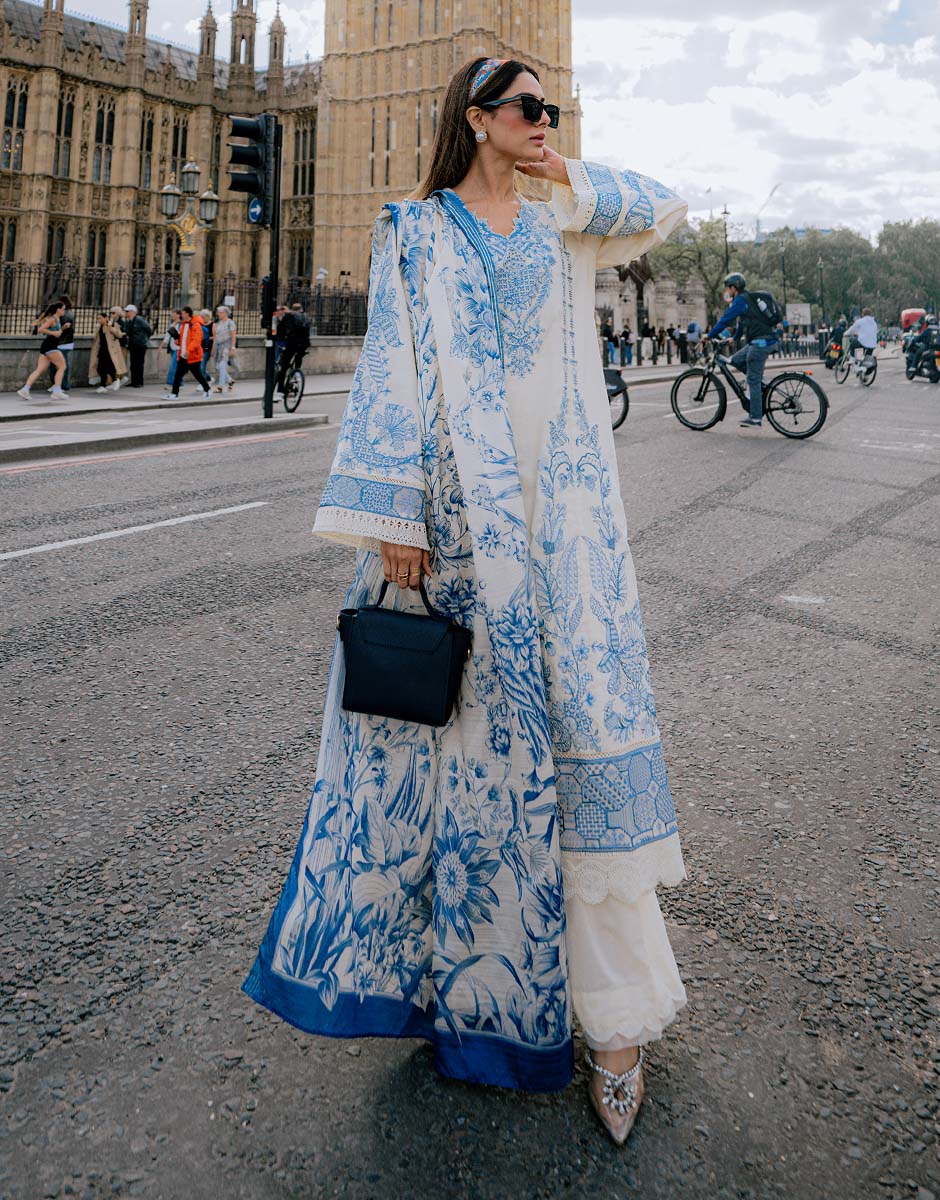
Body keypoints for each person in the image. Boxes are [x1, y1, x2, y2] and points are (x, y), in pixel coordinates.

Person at [243, 55, 689, 1147]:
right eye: (528, 109)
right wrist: (394, 517)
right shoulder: (415, 229)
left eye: (550, 107)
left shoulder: (561, 225)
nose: (544, 121)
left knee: (585, 749)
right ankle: (473, 1003)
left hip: (565, 529)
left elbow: (661, 206)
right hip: (453, 529)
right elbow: (392, 366)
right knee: (458, 768)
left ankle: (616, 1022)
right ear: (477, 119)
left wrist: (563, 168)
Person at [703, 272, 781, 429]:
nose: (728, 290)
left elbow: (726, 319)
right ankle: (759, 385)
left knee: (752, 379)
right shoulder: (747, 299)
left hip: (760, 343)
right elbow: (742, 322)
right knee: (735, 360)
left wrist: (709, 335)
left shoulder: (740, 300)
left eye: (728, 287)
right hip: (764, 340)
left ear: (734, 288)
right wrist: (735, 338)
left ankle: (755, 418)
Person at [17, 302, 69, 400]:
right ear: (58, 309)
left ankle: (25, 389)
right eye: (63, 309)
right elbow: (41, 329)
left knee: (39, 369)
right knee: (62, 367)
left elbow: (57, 332)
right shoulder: (52, 319)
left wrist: (63, 328)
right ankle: (57, 392)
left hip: (47, 346)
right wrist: (53, 333)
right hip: (50, 346)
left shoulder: (57, 319)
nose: (64, 311)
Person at [169, 306, 211, 399]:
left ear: (188, 314)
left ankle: (207, 390)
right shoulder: (184, 324)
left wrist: (188, 350)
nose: (181, 315)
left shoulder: (195, 325)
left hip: (192, 355)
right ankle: (174, 394)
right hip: (184, 354)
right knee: (178, 374)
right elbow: (184, 339)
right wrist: (178, 341)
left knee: (197, 374)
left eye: (183, 313)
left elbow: (196, 340)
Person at [275, 301, 311, 395]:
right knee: (298, 357)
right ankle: (297, 373)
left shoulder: (289, 316)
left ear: (292, 309)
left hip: (292, 343)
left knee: (284, 366)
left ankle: (280, 390)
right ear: (301, 309)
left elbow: (280, 328)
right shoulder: (306, 316)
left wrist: (280, 339)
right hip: (304, 344)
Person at [87, 312, 128, 392]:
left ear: (105, 318)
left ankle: (106, 384)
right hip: (102, 350)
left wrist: (110, 328)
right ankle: (111, 382)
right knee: (101, 368)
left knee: (108, 367)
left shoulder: (113, 324)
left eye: (100, 318)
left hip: (110, 351)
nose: (99, 320)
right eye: (98, 318)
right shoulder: (99, 327)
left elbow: (119, 335)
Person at [46, 294, 75, 394]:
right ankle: (64, 385)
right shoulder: (71, 313)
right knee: (63, 364)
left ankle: (58, 384)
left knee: (56, 365)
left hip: (60, 342)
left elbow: (59, 329)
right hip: (68, 342)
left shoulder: (62, 314)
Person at [123, 304, 153, 387]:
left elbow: (148, 329)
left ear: (132, 312)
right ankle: (134, 381)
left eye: (127, 311)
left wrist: (144, 339)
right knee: (133, 364)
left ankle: (139, 382)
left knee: (139, 364)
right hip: (133, 345)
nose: (126, 313)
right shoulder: (129, 321)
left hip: (140, 345)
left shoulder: (139, 320)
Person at [211, 306, 238, 392]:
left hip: (226, 346)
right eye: (218, 312)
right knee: (218, 366)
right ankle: (229, 380)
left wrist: (232, 348)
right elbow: (215, 337)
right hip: (218, 347)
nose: (218, 314)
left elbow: (233, 336)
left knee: (222, 365)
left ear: (225, 313)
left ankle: (220, 386)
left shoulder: (230, 323)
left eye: (220, 312)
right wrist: (213, 348)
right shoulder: (217, 324)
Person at [160, 309, 183, 399]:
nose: (172, 315)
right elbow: (167, 336)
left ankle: (170, 383)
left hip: (178, 348)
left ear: (178, 315)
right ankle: (180, 383)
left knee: (173, 366)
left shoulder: (181, 324)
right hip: (173, 348)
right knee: (178, 367)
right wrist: (162, 345)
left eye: (173, 314)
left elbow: (180, 335)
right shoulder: (172, 324)